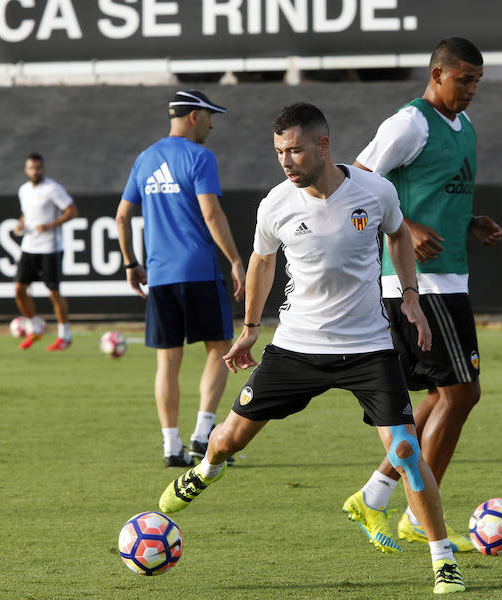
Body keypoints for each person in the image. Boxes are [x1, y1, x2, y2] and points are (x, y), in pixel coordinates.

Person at [157, 103, 466, 594]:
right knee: (227, 440)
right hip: (296, 347)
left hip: (368, 348)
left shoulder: (375, 191)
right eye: (279, 151)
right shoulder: (275, 204)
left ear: (324, 145)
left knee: (406, 450)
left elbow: (400, 235)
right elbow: (261, 262)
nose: (286, 160)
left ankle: (442, 559)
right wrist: (252, 327)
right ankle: (205, 471)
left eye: (295, 149)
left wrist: (411, 297)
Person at [344, 36, 502, 554]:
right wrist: (406, 225)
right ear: (436, 75)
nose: (472, 89)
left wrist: (470, 223)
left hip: (450, 279)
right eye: (464, 79)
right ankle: (414, 512)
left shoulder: (466, 127)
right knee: (461, 394)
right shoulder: (409, 123)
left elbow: (442, 193)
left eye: (478, 80)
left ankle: (378, 493)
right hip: (419, 284)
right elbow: (358, 177)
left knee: (441, 396)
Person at [116, 90, 246, 468]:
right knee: (220, 349)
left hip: (159, 275)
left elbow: (122, 217)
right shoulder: (199, 157)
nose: (212, 123)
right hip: (199, 271)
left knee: (167, 362)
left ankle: (171, 446)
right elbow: (211, 213)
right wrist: (236, 260)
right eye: (209, 116)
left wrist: (130, 264)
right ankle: (204, 435)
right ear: (194, 116)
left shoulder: (145, 159)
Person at [12, 153, 79, 351]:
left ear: (43, 168)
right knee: (19, 290)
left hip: (50, 248)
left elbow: (72, 211)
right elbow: (27, 213)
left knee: (54, 293)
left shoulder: (52, 188)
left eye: (38, 168)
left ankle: (64, 336)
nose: (35, 171)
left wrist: (50, 225)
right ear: (26, 169)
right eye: (31, 168)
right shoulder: (23, 190)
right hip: (29, 246)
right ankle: (34, 328)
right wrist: (20, 225)